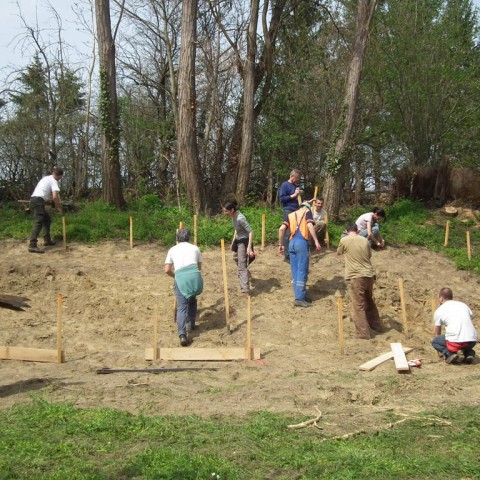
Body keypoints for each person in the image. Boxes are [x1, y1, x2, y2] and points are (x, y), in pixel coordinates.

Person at [337, 223, 382, 339]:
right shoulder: (365, 240)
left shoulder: (344, 240)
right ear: (357, 230)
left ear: (347, 231)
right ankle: (376, 326)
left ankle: (363, 333)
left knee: (358, 305)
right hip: (369, 274)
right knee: (369, 300)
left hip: (356, 276)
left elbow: (339, 252)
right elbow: (369, 255)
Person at [164, 228, 203, 346]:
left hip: (181, 276)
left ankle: (182, 334)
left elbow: (167, 270)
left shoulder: (172, 250)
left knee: (181, 307)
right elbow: (199, 267)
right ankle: (191, 323)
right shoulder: (195, 248)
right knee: (192, 300)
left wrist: (176, 276)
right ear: (188, 237)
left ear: (177, 238)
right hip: (194, 276)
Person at [279, 201, 321, 307]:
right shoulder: (307, 212)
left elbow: (282, 228)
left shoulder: (290, 215)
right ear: (307, 208)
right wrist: (316, 241)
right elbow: (310, 225)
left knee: (295, 270)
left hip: (291, 243)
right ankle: (299, 299)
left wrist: (281, 244)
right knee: (302, 270)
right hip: (301, 243)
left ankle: (300, 294)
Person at [431, 287, 477, 364]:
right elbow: (469, 318)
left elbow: (437, 331)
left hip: (455, 341)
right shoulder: (463, 305)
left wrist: (437, 339)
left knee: (435, 341)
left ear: (441, 298)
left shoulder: (440, 310)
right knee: (464, 341)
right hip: (472, 340)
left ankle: (450, 354)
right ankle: (469, 354)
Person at [28, 167, 64, 253]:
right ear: (59, 176)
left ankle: (47, 240)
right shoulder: (54, 181)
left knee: (47, 219)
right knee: (39, 221)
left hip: (36, 199)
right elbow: (55, 196)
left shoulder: (46, 178)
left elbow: (43, 195)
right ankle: (32, 245)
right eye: (61, 177)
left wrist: (50, 202)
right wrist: (58, 207)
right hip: (38, 200)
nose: (60, 179)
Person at [223, 202, 254, 294]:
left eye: (226, 211)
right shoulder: (233, 217)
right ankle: (246, 273)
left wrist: (249, 247)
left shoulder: (240, 218)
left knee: (241, 265)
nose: (225, 213)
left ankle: (245, 289)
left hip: (244, 242)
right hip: (238, 240)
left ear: (232, 210)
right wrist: (233, 241)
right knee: (235, 258)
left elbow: (251, 231)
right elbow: (237, 229)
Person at [278, 169, 302, 262]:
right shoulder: (285, 185)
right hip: (288, 210)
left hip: (297, 210)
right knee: (287, 233)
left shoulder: (296, 186)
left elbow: (298, 199)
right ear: (292, 176)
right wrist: (294, 195)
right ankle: (287, 255)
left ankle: (293, 251)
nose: (298, 180)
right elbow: (282, 199)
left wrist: (298, 195)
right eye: (297, 178)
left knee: (294, 232)